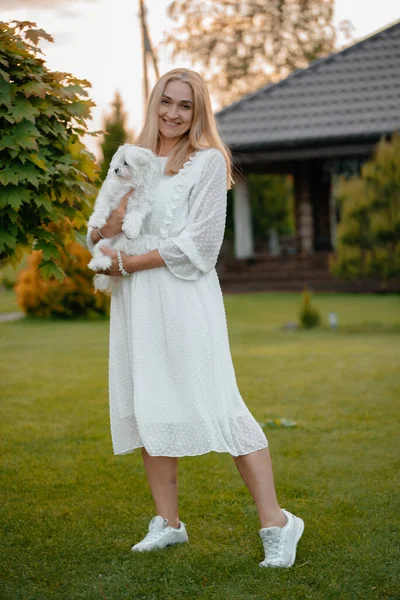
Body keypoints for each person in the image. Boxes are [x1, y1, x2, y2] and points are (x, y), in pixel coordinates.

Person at [87, 68, 304, 568]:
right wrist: (107, 228)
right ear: (154, 102)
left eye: (185, 106)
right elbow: (95, 235)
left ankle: (277, 523)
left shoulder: (208, 163)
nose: (173, 113)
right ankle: (168, 524)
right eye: (167, 101)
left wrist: (129, 262)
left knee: (220, 403)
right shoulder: (130, 159)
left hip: (183, 298)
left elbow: (201, 245)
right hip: (136, 303)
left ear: (198, 112)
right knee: (151, 405)